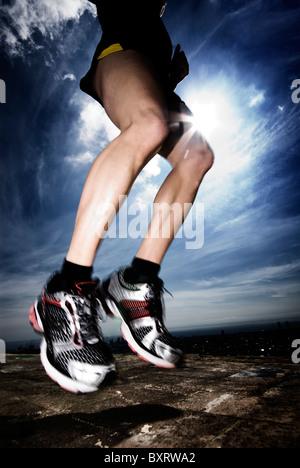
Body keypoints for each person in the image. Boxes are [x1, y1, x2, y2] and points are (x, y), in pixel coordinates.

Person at [29, 0, 214, 393]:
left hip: (156, 78)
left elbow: (148, 85)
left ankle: (135, 284)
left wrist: (171, 77)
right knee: (148, 125)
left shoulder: (156, 20)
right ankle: (65, 287)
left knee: (197, 157)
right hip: (118, 55)